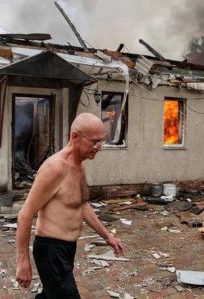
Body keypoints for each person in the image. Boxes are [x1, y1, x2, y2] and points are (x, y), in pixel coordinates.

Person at [16, 113, 124, 298]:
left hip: (67, 249)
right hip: (51, 251)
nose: (99, 148)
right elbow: (24, 215)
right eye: (95, 142)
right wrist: (23, 262)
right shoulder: (55, 168)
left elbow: (81, 205)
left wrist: (108, 236)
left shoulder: (80, 167)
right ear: (75, 137)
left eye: (101, 142)